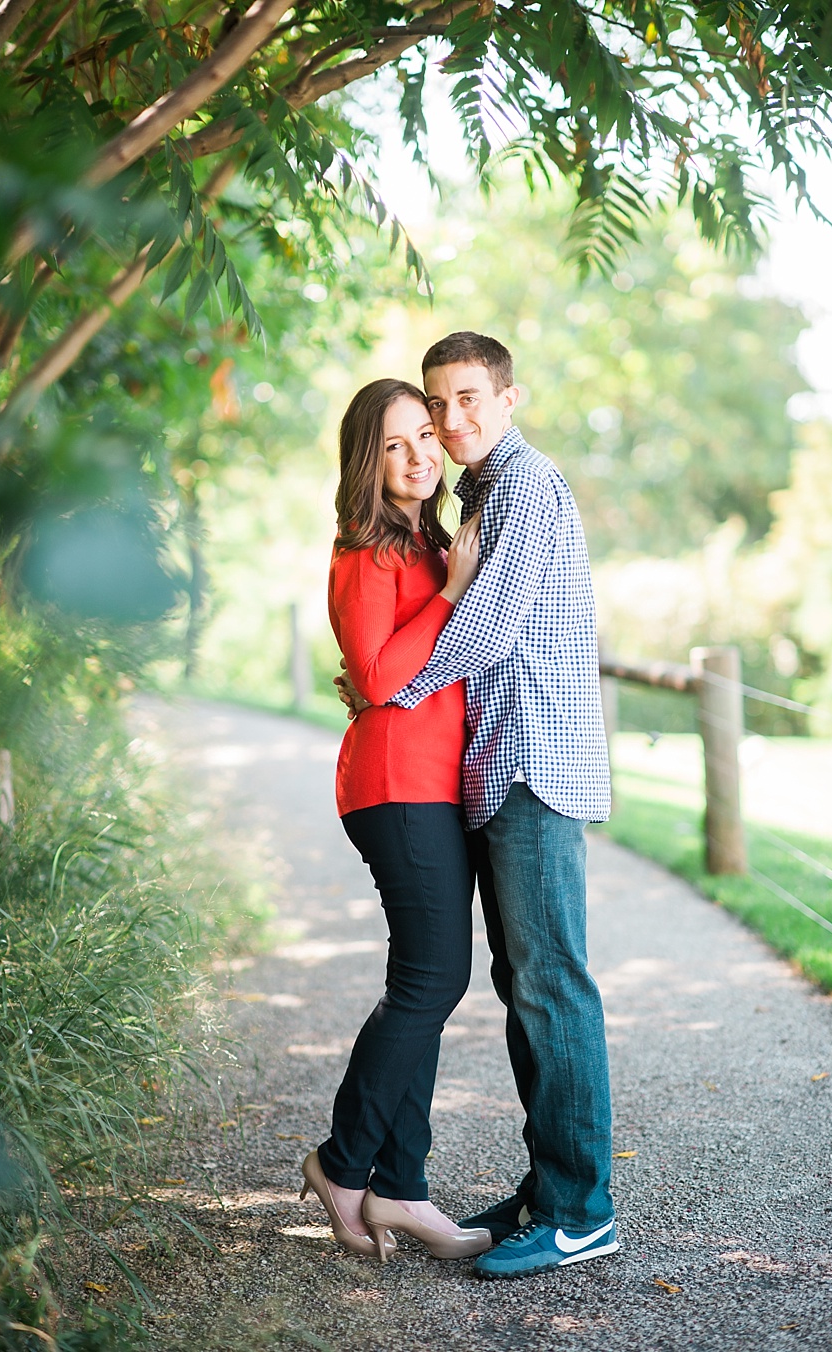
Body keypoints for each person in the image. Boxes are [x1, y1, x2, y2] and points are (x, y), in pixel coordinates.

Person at [339, 332, 619, 1281]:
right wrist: (386, 683)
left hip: (534, 768)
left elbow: (486, 627)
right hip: (497, 772)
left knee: (552, 985)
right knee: (521, 987)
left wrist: (388, 692)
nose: (450, 422)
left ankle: (582, 1209)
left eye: (466, 401)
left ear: (507, 399)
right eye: (434, 405)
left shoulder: (527, 488)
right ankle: (550, 1190)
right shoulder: (477, 495)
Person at [300, 377, 492, 1264]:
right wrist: (450, 594)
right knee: (433, 982)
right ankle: (345, 1166)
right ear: (364, 463)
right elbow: (378, 677)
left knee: (424, 984)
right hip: (395, 788)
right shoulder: (370, 550)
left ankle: (401, 1191)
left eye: (427, 435)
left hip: (427, 785)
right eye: (396, 444)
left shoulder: (419, 539)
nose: (420, 454)